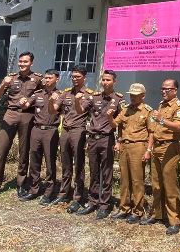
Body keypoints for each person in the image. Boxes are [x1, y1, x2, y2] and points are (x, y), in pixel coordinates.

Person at [0, 52, 42, 197]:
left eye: (25, 62)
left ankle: (21, 183)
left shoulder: (37, 79)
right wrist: (3, 84)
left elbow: (43, 95)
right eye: (20, 61)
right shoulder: (10, 78)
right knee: (2, 149)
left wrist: (31, 101)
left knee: (24, 151)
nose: (22, 64)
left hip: (27, 116)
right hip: (10, 114)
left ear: (31, 63)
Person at [140, 79, 180, 236]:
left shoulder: (178, 106)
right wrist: (149, 148)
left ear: (175, 90)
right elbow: (153, 129)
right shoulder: (161, 105)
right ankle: (157, 214)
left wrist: (162, 119)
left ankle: (174, 220)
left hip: (170, 147)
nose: (164, 91)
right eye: (162, 88)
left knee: (170, 184)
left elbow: (179, 126)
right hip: (157, 147)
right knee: (156, 184)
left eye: (167, 89)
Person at [76, 70, 123, 219]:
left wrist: (120, 141)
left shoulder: (119, 100)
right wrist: (77, 101)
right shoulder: (94, 97)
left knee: (106, 172)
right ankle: (92, 201)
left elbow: (122, 124)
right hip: (93, 139)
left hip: (107, 139)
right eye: (103, 80)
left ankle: (104, 204)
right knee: (94, 170)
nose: (105, 82)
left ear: (114, 82)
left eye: (108, 80)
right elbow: (80, 110)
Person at [48, 64, 93, 213]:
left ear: (84, 78)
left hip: (78, 131)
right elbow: (53, 110)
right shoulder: (66, 93)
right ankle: (63, 193)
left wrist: (77, 101)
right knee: (65, 163)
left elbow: (82, 110)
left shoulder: (88, 94)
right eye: (73, 76)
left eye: (78, 77)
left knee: (78, 164)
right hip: (65, 131)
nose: (74, 79)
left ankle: (78, 197)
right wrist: (50, 100)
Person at [107, 83, 152, 223]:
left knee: (137, 180)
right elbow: (116, 125)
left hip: (139, 146)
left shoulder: (147, 111)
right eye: (131, 94)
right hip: (125, 147)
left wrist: (148, 150)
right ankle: (124, 207)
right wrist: (109, 117)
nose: (132, 97)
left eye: (136, 95)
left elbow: (151, 133)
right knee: (124, 179)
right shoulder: (125, 109)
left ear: (143, 96)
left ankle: (138, 210)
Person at [19, 69, 61, 204]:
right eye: (46, 78)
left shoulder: (60, 95)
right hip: (36, 130)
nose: (47, 80)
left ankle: (49, 193)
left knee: (50, 163)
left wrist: (52, 100)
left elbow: (54, 109)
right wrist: (23, 101)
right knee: (34, 161)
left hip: (50, 131)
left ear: (57, 79)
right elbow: (26, 105)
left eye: (50, 78)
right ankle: (33, 189)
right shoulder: (37, 94)